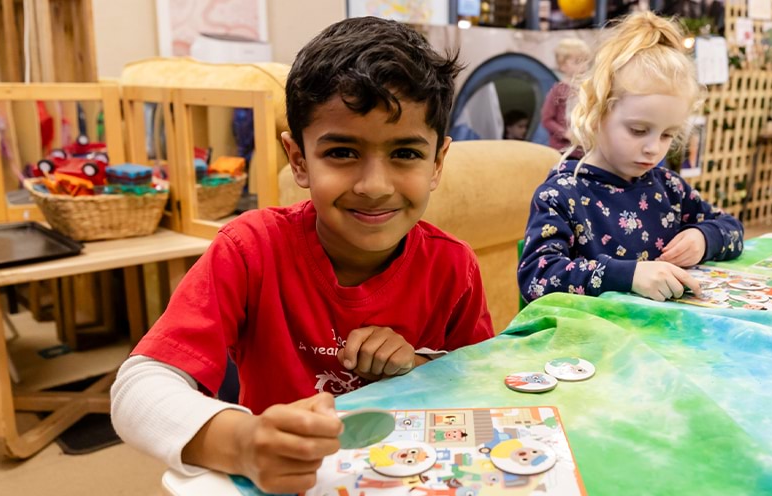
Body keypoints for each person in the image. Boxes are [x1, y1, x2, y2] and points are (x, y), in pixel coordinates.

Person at [111, 16, 494, 494]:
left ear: (437, 162)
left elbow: (480, 387)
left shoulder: (453, 266)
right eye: (341, 152)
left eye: (405, 154)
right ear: (298, 160)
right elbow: (138, 388)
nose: (374, 187)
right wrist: (242, 443)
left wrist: (416, 365)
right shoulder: (250, 249)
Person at [518, 12, 744, 305]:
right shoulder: (561, 194)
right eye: (638, 130)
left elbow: (732, 227)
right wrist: (629, 275)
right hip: (589, 343)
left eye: (667, 135)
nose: (654, 148)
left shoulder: (670, 188)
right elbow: (537, 277)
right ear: (596, 113)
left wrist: (704, 239)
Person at [540, 38, 590, 158]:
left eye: (586, 62)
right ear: (563, 66)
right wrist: (565, 133)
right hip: (562, 150)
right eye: (577, 62)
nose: (583, 66)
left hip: (584, 148)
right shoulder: (559, 89)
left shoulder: (587, 88)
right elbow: (547, 119)